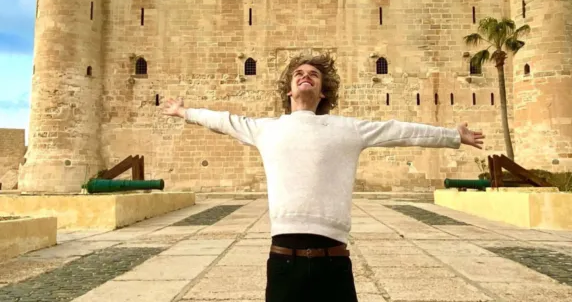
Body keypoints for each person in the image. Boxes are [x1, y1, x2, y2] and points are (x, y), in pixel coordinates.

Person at [162, 53, 484, 302]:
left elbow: (399, 131)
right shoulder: (267, 129)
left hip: (334, 262)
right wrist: (183, 113)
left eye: (313, 75)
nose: (306, 77)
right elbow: (223, 120)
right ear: (289, 90)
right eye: (299, 74)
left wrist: (453, 136)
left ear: (322, 92)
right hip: (283, 261)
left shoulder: (347, 129)